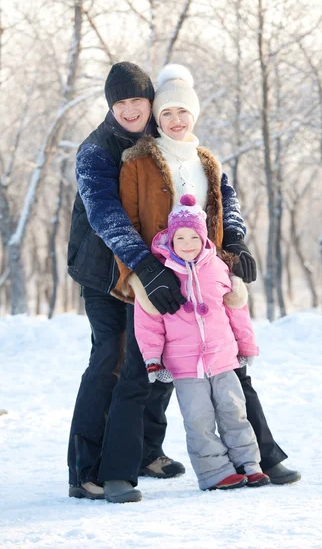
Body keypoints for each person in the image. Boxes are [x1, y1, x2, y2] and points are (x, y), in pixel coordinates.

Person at [66, 62, 265, 503]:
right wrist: (144, 267)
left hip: (154, 269)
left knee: (162, 355)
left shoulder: (160, 140)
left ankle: (146, 453)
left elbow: (217, 190)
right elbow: (107, 217)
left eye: (139, 101)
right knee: (112, 360)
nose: (132, 109)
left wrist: (232, 241)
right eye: (122, 103)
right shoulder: (96, 149)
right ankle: (82, 471)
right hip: (104, 272)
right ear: (111, 107)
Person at [116, 64, 301, 497]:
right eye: (167, 114)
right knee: (158, 377)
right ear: (155, 119)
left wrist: (236, 250)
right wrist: (143, 273)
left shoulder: (208, 161)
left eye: (183, 112)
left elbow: (226, 210)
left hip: (208, 275)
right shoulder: (140, 160)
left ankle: (258, 459)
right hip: (158, 277)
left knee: (232, 382)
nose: (176, 121)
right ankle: (129, 464)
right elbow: (125, 221)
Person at [134, 194, 271, 491]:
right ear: (170, 239)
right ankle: (214, 473)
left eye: (193, 237)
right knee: (199, 420)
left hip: (223, 358)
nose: (186, 244)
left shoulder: (219, 268)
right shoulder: (161, 275)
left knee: (234, 412)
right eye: (179, 237)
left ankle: (249, 464)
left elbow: (237, 311)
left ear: (203, 236)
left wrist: (246, 346)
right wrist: (152, 358)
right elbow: (148, 322)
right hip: (184, 365)